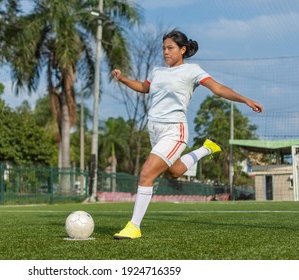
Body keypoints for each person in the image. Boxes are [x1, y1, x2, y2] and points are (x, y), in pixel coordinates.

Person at [111, 29, 263, 239]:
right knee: (174, 172)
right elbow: (144, 88)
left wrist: (245, 99)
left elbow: (218, 89)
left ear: (183, 50)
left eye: (170, 48)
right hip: (154, 129)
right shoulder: (157, 71)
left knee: (146, 174)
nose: (166, 52)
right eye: (163, 48)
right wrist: (123, 79)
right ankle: (206, 149)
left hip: (174, 131)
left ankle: (134, 226)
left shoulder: (192, 71)